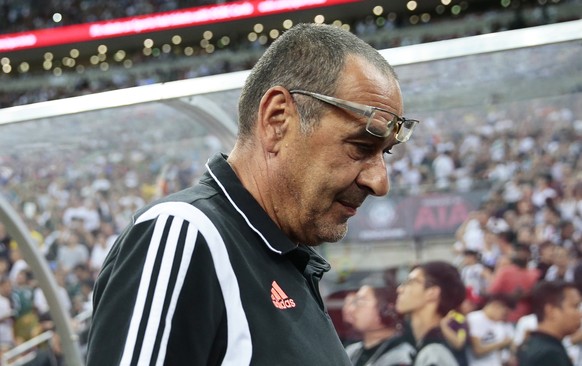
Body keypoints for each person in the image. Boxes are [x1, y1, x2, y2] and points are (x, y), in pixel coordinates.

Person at [86, 23, 419, 365]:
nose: (380, 182)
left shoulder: (286, 257)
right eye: (361, 146)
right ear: (277, 120)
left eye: (386, 153)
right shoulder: (186, 231)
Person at [395, 261, 465, 366]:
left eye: (410, 282)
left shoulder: (434, 354)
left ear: (432, 293)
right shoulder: (425, 346)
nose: (400, 289)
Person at [345, 284, 415, 365]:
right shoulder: (350, 352)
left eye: (360, 302)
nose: (352, 309)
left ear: (385, 310)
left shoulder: (402, 357)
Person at [517, 280, 582, 366]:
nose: (580, 314)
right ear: (551, 311)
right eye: (575, 306)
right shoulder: (548, 355)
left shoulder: (531, 344)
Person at [466, 293, 515, 366]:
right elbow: (478, 350)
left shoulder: (499, 325)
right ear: (496, 306)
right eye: (504, 314)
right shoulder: (474, 318)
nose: (504, 317)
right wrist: (501, 343)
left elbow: (499, 354)